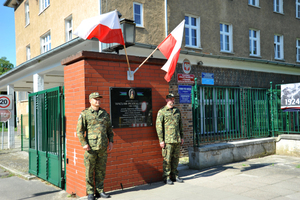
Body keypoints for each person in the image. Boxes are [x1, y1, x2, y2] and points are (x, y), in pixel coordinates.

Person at [77, 92, 114, 200]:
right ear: (90, 101)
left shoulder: (104, 114)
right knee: (89, 171)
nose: (98, 101)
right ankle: (90, 192)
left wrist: (111, 141)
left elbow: (109, 130)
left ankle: (100, 191)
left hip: (102, 147)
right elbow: (79, 131)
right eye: (95, 99)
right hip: (90, 148)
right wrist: (84, 144)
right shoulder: (85, 114)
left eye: (99, 99)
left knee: (101, 170)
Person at [156, 93, 184, 185]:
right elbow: (159, 127)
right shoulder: (162, 111)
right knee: (167, 160)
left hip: (176, 139)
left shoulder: (177, 111)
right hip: (167, 141)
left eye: (173, 99)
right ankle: (167, 177)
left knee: (176, 159)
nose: (172, 101)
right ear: (166, 100)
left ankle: (175, 175)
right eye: (170, 99)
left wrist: (182, 137)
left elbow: (180, 126)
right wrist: (161, 140)